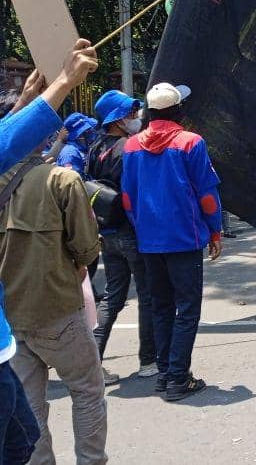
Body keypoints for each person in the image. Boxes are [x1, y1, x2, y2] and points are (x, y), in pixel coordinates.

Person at [0, 43, 96, 464]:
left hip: (13, 318)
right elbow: (87, 247)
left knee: (26, 418)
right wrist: (62, 82)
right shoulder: (63, 180)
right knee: (88, 392)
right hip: (57, 311)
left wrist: (31, 100)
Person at [121, 82, 223, 401]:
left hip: (150, 240)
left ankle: (165, 374)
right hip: (184, 238)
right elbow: (207, 194)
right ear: (179, 110)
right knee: (187, 308)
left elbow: (127, 198)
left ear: (151, 112)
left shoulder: (131, 146)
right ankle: (178, 377)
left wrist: (144, 228)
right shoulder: (191, 142)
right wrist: (215, 230)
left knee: (161, 307)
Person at [88, 90, 157, 386]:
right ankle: (148, 361)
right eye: (130, 113)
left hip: (106, 232)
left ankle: (92, 365)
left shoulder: (93, 149)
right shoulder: (127, 147)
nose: (134, 118)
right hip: (130, 231)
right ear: (117, 119)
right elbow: (138, 190)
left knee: (112, 298)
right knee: (148, 296)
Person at [55, 112, 98, 176]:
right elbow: (72, 183)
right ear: (79, 136)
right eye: (87, 132)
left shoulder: (82, 148)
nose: (91, 134)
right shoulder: (70, 153)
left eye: (90, 130)